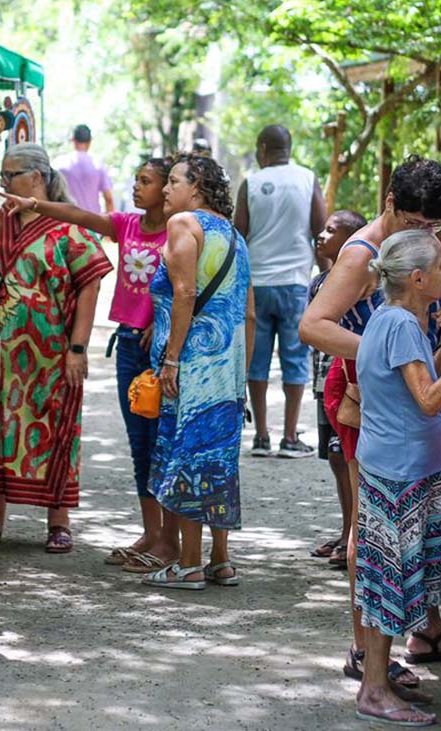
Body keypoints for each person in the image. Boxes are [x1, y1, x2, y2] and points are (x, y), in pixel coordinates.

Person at [299, 155, 441, 698]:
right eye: (417, 223)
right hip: (363, 398)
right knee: (372, 528)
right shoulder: (361, 256)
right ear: (390, 204)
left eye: (435, 228)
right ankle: (364, 651)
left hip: (406, 393)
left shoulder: (423, 246)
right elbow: (312, 326)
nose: (428, 236)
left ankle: (427, 629)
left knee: (415, 524)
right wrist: (390, 353)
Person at [1, 157, 177, 572]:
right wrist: (36, 204)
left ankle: (171, 539)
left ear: (167, 189)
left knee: (162, 444)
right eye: (136, 179)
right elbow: (80, 214)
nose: (136, 187)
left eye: (146, 181)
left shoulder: (180, 230)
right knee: (140, 445)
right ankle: (151, 533)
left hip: (161, 350)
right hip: (129, 344)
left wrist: (161, 322)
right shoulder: (128, 226)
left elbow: (189, 286)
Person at [354, 231, 441, 727]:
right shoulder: (402, 324)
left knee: (391, 578)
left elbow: (420, 387)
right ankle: (375, 689)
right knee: (388, 581)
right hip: (399, 470)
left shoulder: (394, 319)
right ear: (420, 279)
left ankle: (378, 683)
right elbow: (429, 399)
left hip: (402, 465)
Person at [0, 143, 112, 553]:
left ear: (37, 178)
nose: (3, 184)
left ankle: (58, 522)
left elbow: (90, 285)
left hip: (50, 357)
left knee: (56, 430)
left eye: (10, 176)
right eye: (2, 176)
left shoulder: (68, 229)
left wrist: (78, 348)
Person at [142, 155, 255, 590]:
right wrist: (240, 377)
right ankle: (220, 560)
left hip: (191, 364)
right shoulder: (234, 235)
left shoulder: (184, 224)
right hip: (227, 368)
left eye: (174, 181)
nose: (166, 190)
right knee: (218, 457)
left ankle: (188, 563)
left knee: (187, 452)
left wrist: (171, 358)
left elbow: (185, 290)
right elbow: (248, 313)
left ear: (198, 187)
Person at [235, 125, 326, 458]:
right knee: (295, 357)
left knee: (257, 360)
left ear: (262, 148)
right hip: (295, 282)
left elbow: (239, 233)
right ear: (289, 147)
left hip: (257, 284)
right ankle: (289, 437)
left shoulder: (251, 182)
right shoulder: (307, 178)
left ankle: (260, 436)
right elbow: (320, 228)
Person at [307, 209, 367, 569]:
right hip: (322, 379)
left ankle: (353, 535)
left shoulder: (360, 282)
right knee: (333, 456)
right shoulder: (318, 282)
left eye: (332, 231)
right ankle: (346, 529)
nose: (322, 235)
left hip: (347, 379)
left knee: (347, 455)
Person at [53, 123, 114, 215]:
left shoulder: (59, 164)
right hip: (92, 223)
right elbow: (108, 199)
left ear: (73, 140)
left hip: (67, 221)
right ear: (90, 141)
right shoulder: (98, 164)